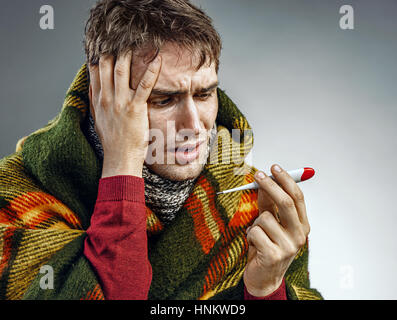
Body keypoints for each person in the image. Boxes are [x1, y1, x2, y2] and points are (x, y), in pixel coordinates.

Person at [0, 0, 322, 300]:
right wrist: (122, 161)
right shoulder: (16, 199)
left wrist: (266, 288)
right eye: (163, 99)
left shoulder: (255, 208)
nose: (194, 125)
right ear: (104, 102)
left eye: (204, 94)